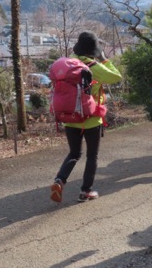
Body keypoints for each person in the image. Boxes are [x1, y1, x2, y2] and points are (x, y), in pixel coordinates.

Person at [50, 31, 122, 203]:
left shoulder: (69, 63)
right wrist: (103, 58)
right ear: (93, 50)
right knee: (92, 156)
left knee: (74, 153)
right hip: (91, 119)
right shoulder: (92, 66)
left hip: (69, 116)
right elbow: (116, 76)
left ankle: (60, 180)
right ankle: (86, 191)